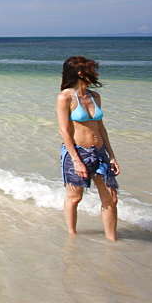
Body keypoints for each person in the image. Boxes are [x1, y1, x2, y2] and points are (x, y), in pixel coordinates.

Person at [56, 55, 120, 240]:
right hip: (77, 152)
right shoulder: (65, 97)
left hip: (99, 152)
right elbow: (64, 130)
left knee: (111, 198)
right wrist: (76, 160)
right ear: (80, 73)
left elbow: (100, 127)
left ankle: (112, 240)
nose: (96, 74)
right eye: (92, 70)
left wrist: (112, 156)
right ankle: (72, 237)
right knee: (75, 197)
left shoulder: (95, 96)